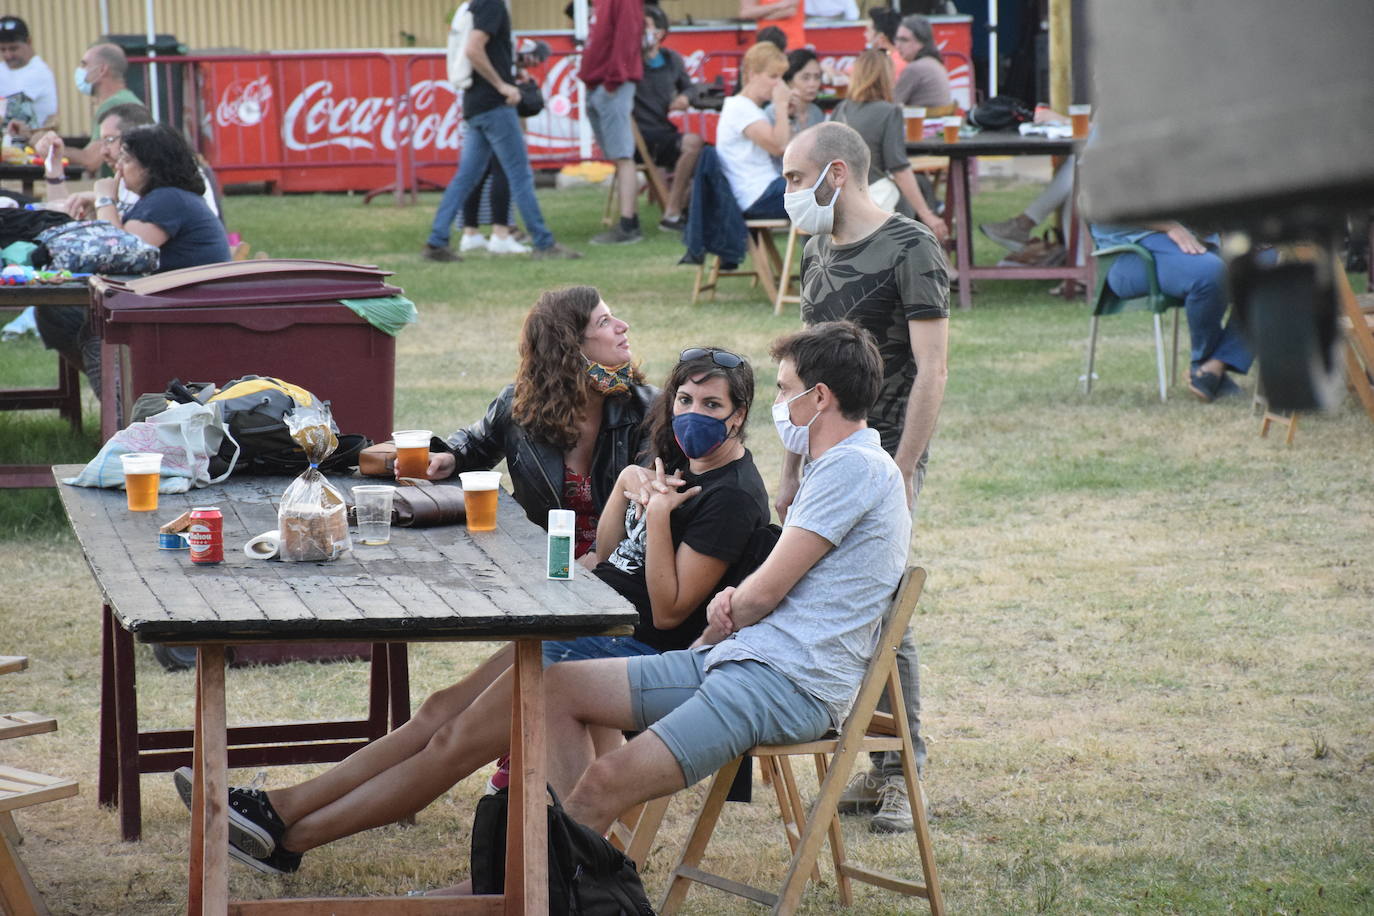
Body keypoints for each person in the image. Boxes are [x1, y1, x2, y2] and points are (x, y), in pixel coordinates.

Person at [173, 343, 771, 876]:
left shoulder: (732, 497)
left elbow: (669, 614)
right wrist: (626, 488)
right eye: (685, 399)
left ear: (738, 414)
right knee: (439, 710)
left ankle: (288, 829)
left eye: (712, 405)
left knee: (454, 741)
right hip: (593, 626)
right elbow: (610, 556)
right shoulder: (679, 464)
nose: (694, 414)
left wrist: (662, 519)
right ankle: (279, 815)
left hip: (631, 652)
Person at [535, 320, 911, 841]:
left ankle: (555, 886)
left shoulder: (853, 469)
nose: (778, 403)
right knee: (556, 688)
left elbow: (764, 593)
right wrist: (730, 615)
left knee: (605, 779)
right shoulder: (837, 467)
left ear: (818, 396)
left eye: (784, 389)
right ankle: (552, 873)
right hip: (740, 661)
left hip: (784, 683)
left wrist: (733, 604)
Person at [779, 121, 949, 833]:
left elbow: (932, 369)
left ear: (837, 173)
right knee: (838, 599)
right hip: (822, 456)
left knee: (884, 603)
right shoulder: (817, 248)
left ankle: (901, 772)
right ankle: (868, 750)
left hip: (882, 455)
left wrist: (902, 470)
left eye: (795, 178)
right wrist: (788, 465)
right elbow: (801, 375)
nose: (788, 193)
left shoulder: (912, 247)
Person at [427, 286, 655, 549]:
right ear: (570, 349)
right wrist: (451, 456)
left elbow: (647, 505)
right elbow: (477, 444)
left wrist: (601, 558)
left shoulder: (647, 409)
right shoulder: (520, 406)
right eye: (605, 321)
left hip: (618, 563)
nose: (623, 326)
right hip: (537, 556)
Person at [423, 0, 579, 262]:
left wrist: (511, 67)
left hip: (476, 104)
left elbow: (483, 50)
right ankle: (543, 242)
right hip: (494, 106)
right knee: (520, 175)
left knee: (466, 177)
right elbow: (473, 49)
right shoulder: (492, 4)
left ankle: (436, 241)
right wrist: (502, 85)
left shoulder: (475, 5)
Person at [1090, 221, 1252, 402]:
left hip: (1199, 240)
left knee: (1269, 266)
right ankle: (1206, 367)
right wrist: (1170, 226)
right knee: (1209, 272)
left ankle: (1214, 366)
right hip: (1132, 248)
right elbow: (1108, 204)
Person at [833, 49, 947, 241]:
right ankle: (927, 258)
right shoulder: (889, 112)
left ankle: (935, 257)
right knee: (914, 190)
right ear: (886, 77)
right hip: (871, 196)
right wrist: (927, 215)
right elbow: (899, 167)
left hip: (838, 197)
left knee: (919, 185)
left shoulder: (840, 109)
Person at [38, 103, 220, 220]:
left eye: (109, 140)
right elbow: (63, 219)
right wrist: (54, 168)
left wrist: (103, 201)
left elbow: (120, 247)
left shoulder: (168, 189)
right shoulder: (131, 180)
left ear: (137, 138)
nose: (103, 151)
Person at [89, 123, 229, 272]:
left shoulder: (168, 199)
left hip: (188, 294)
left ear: (150, 166)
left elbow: (118, 253)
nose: (118, 166)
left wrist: (104, 200)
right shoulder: (170, 198)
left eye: (126, 160)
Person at [634, 4, 704, 233]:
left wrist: (685, 96)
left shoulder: (671, 59)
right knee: (693, 142)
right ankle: (672, 212)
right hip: (638, 136)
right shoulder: (630, 60)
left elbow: (691, 88)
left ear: (661, 32)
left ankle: (683, 207)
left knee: (709, 153)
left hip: (663, 132)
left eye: (645, 26)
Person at [581, 0, 646, 245]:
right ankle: (627, 219)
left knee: (622, 154)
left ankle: (628, 224)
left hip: (612, 83)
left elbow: (627, 38)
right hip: (601, 82)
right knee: (618, 155)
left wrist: (613, 80)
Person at [717, 41, 792, 220]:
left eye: (782, 77)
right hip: (757, 194)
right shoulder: (740, 107)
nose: (779, 84)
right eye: (773, 76)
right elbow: (780, 147)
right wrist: (781, 106)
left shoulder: (749, 108)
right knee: (825, 197)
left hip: (764, 190)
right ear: (752, 74)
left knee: (826, 194)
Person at [68, 43, 142, 174]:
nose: (80, 71)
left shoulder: (114, 105)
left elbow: (90, 160)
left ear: (102, 70)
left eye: (84, 65)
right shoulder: (127, 99)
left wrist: (45, 145)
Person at [0, 16, 58, 139]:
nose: (8, 55)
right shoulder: (3, 69)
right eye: (2, 49)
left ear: (29, 42)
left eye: (13, 48)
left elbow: (13, 114)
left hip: (31, 146)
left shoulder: (38, 72)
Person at [892, 14, 952, 109]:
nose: (898, 45)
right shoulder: (934, 64)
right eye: (897, 39)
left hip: (922, 122)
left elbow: (892, 105)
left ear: (921, 43)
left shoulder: (915, 69)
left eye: (904, 40)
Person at [765, 48, 826, 135]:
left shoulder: (815, 112)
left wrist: (802, 119)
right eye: (805, 78)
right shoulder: (773, 112)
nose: (813, 84)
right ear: (789, 81)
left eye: (817, 77)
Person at [739, 0, 805, 52]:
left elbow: (789, 11)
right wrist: (779, 5)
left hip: (792, 45)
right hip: (764, 45)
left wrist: (759, 14)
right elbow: (745, 13)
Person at [865, 5, 905, 81]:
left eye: (868, 31)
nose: (865, 35)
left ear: (881, 38)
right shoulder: (902, 57)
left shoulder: (888, 65)